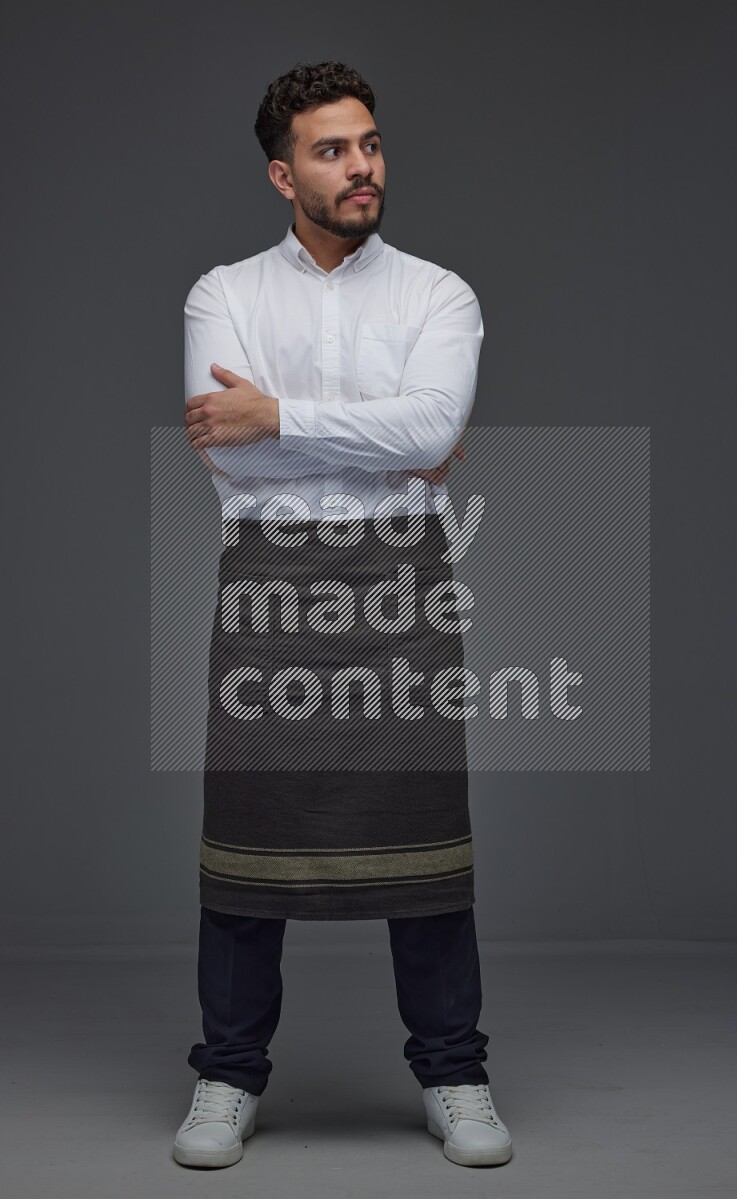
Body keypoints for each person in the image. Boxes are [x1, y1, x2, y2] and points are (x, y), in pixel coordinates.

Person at [173, 59, 512, 1170]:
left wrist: (283, 415)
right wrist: (387, 431)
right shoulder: (221, 293)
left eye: (367, 143)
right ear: (283, 173)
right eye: (331, 150)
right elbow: (237, 454)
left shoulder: (437, 293)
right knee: (245, 854)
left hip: (402, 586)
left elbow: (429, 432)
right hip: (267, 579)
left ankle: (455, 1071)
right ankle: (225, 1076)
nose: (360, 165)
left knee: (425, 856)